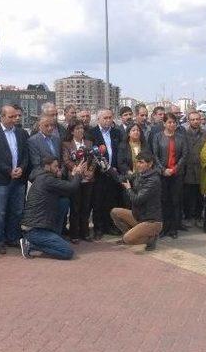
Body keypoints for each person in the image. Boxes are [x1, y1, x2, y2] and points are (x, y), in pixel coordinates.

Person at [19, 157, 87, 260]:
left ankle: (51, 237)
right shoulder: (47, 180)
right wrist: (78, 173)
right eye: (55, 166)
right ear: (47, 166)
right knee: (67, 252)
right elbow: (72, 188)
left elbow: (66, 189)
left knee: (64, 201)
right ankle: (30, 244)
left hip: (38, 226)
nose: (58, 169)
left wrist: (73, 175)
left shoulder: (43, 178)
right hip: (35, 229)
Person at [0, 105, 30, 254]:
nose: (14, 119)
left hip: (18, 178)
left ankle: (13, 237)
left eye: (16, 116)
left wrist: (21, 168)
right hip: (1, 180)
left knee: (17, 211)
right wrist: (8, 170)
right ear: (2, 117)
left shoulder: (21, 133)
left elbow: (25, 154)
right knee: (0, 212)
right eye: (11, 117)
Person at [110, 151, 163, 251]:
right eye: (137, 162)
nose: (138, 165)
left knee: (127, 239)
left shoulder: (153, 180)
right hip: (139, 216)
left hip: (152, 221)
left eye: (141, 162)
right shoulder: (139, 174)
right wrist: (109, 168)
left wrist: (129, 189)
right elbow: (121, 179)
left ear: (150, 164)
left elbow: (137, 200)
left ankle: (150, 238)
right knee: (115, 212)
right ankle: (134, 234)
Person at [28, 114, 69, 233]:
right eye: (47, 125)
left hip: (58, 180)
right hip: (44, 181)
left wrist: (61, 170)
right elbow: (36, 164)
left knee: (63, 204)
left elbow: (61, 160)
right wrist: (54, 173)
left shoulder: (57, 139)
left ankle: (58, 232)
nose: (50, 128)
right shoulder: (33, 141)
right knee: (47, 210)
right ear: (39, 126)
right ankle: (46, 235)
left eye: (52, 125)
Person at [152, 113, 188, 238]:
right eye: (169, 122)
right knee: (163, 201)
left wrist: (175, 169)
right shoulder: (157, 137)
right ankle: (163, 228)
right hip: (162, 174)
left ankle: (173, 228)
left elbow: (184, 155)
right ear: (164, 123)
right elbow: (155, 156)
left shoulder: (181, 137)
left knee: (175, 201)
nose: (172, 124)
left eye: (174, 122)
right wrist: (163, 170)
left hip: (177, 174)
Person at [87, 108, 122, 239]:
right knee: (98, 201)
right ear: (99, 119)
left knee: (111, 200)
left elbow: (120, 152)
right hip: (98, 173)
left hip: (113, 172)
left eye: (110, 117)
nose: (108, 120)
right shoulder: (92, 133)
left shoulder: (116, 133)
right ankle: (98, 228)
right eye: (105, 118)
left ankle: (109, 226)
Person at [62, 121, 96, 243]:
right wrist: (76, 169)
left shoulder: (89, 143)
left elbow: (94, 159)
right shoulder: (67, 144)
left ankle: (85, 232)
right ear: (72, 131)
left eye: (82, 128)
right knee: (75, 207)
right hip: (75, 178)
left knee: (86, 207)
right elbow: (66, 160)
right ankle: (74, 234)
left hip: (88, 179)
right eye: (77, 128)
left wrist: (91, 171)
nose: (81, 131)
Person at [183, 111, 206, 225]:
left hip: (201, 169)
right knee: (188, 195)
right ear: (188, 121)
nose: (195, 121)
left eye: (197, 119)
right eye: (192, 119)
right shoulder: (183, 133)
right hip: (187, 169)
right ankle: (189, 217)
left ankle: (198, 217)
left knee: (200, 195)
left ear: (200, 120)